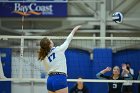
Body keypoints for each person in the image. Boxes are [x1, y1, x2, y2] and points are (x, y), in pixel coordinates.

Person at [38, 25, 81, 93]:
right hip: (59, 78)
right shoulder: (58, 49)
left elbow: (47, 70)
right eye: (50, 40)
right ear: (50, 44)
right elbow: (68, 40)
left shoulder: (44, 57)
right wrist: (74, 30)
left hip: (50, 80)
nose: (51, 40)